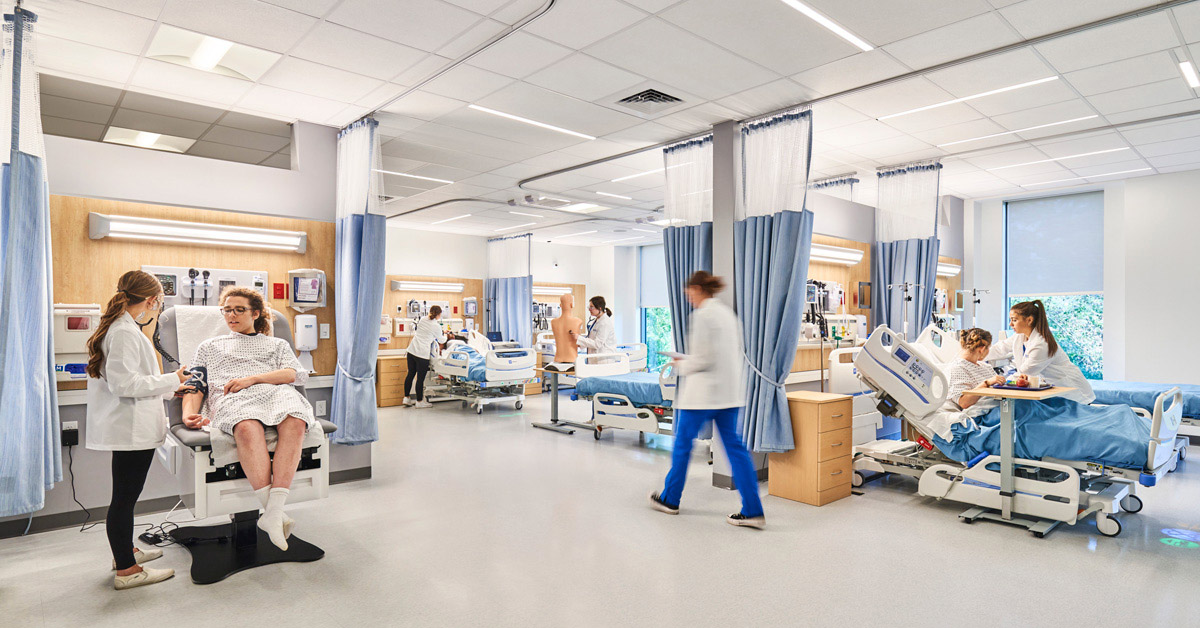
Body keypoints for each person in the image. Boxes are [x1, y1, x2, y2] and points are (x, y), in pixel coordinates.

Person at [180, 287, 318, 551]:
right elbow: (194, 385)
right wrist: (189, 414)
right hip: (233, 397)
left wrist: (254, 378)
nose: (232, 315)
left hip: (275, 392)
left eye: (239, 309)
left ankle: (272, 514)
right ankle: (275, 514)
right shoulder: (209, 346)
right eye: (227, 310)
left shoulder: (276, 344)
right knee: (245, 426)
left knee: (296, 418)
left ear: (255, 313)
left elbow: (295, 374)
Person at [86, 270, 191, 590]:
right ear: (150, 299)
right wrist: (175, 379)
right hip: (130, 428)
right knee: (124, 499)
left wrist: (171, 388)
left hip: (132, 425)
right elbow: (125, 384)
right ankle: (127, 572)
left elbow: (135, 378)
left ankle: (125, 554)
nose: (157, 305)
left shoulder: (123, 328)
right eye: (158, 300)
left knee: (125, 496)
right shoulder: (124, 332)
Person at [649, 271, 765, 529]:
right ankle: (754, 510)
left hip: (702, 396)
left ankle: (670, 499)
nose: (687, 296)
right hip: (729, 393)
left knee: (682, 446)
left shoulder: (702, 316)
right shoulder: (728, 315)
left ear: (698, 288)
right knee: (736, 449)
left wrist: (680, 363)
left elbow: (702, 359)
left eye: (689, 290)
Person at [987, 300, 1094, 404]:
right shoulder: (1020, 336)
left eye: (1014, 320)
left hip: (1073, 393)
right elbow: (1000, 348)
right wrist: (977, 354)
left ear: (1029, 320)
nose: (1010, 324)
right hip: (1054, 390)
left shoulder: (1041, 344)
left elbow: (1025, 372)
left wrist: (994, 382)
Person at [949, 328, 1005, 410]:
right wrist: (986, 383)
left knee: (1026, 403)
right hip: (983, 413)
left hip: (998, 405)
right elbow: (964, 403)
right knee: (1025, 407)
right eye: (988, 348)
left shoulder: (985, 367)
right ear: (982, 349)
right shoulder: (958, 368)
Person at [404, 305, 447, 408]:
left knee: (410, 374)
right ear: (439, 314)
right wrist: (444, 335)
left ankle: (406, 398)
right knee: (420, 379)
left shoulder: (423, 319)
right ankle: (419, 401)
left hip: (412, 350)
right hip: (422, 354)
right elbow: (441, 340)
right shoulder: (436, 326)